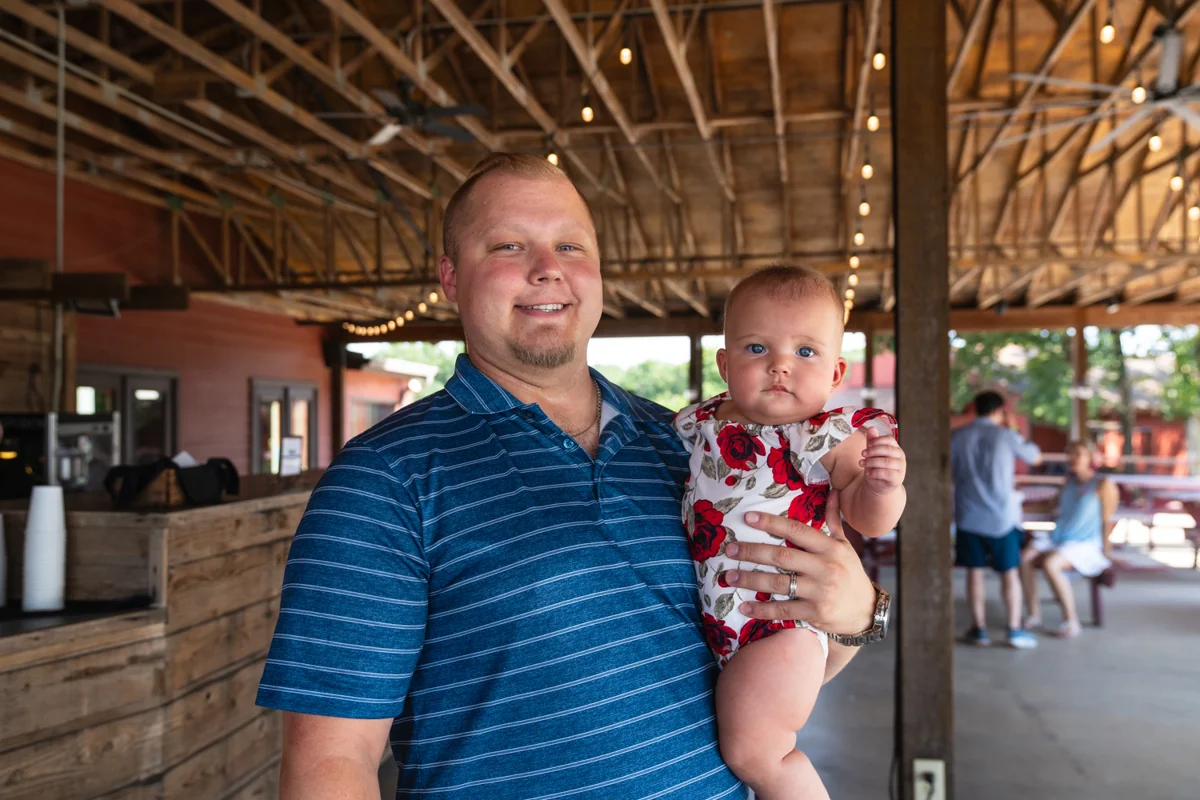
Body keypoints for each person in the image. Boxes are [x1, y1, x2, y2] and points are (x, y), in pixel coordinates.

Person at [255, 153, 887, 799]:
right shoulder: (383, 478)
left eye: (569, 245)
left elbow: (779, 658)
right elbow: (331, 761)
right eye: (508, 245)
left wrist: (859, 616)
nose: (547, 268)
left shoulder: (696, 448)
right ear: (450, 277)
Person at [674, 266, 904, 800]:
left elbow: (871, 521)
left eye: (805, 352)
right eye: (757, 348)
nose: (780, 365)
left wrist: (882, 485)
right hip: (720, 619)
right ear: (725, 365)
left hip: (782, 628)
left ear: (835, 372)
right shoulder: (700, 423)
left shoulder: (828, 437)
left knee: (758, 753)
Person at [950, 390, 1042, 649]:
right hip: (1002, 517)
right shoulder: (1006, 435)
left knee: (974, 573)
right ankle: (1014, 629)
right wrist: (1014, 428)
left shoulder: (957, 436)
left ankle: (979, 630)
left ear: (975, 408)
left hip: (968, 515)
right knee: (1009, 573)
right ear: (1000, 411)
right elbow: (1035, 457)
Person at [1020, 440, 1117, 638]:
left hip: (1084, 543)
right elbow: (1050, 505)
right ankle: (1034, 614)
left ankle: (1071, 621)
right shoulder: (1069, 483)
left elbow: (1107, 520)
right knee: (1024, 558)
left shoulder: (1103, 484)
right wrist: (1016, 506)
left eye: (1077, 454)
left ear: (1090, 458)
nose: (1072, 458)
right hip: (1059, 539)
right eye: (1070, 454)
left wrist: (1108, 552)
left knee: (1051, 563)